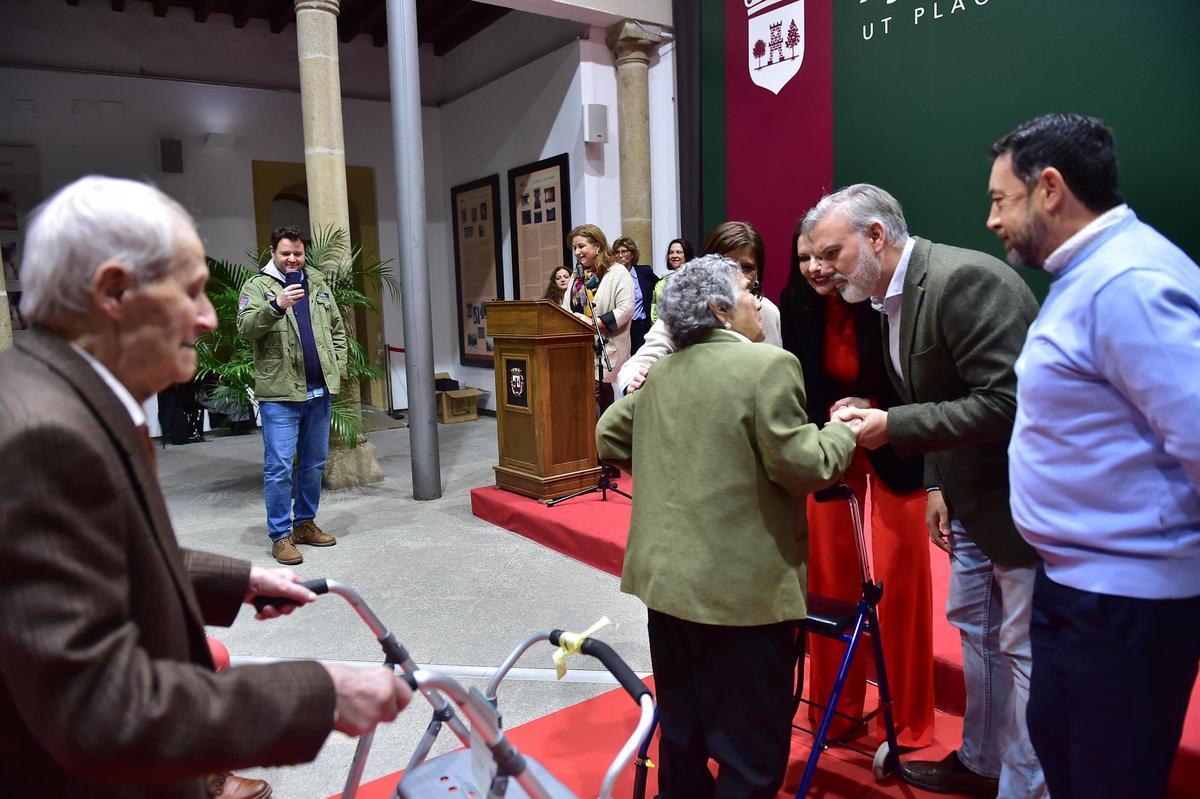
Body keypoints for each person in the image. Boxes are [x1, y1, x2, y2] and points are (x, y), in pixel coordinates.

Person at [0, 176, 411, 798]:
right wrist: (319, 694)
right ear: (114, 291)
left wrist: (234, 580)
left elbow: (107, 554)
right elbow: (100, 708)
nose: (208, 317)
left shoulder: (63, 396)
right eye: (191, 292)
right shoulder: (43, 439)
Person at [987, 113, 1200, 799]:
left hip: (1124, 601)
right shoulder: (1089, 275)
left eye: (1000, 199)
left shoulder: (1126, 282)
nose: (991, 219)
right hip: (1083, 588)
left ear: (1050, 189)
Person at [807, 184, 1043, 799]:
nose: (822, 269)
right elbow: (936, 394)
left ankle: (1029, 786)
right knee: (977, 631)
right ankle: (982, 763)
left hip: (1020, 507)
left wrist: (896, 428)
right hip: (965, 497)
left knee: (1023, 652)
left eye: (832, 253)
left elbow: (1007, 404)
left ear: (875, 237)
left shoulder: (966, 282)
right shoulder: (888, 299)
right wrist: (933, 475)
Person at [597, 255, 857, 799]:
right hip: (741, 595)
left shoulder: (665, 371)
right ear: (720, 310)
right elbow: (803, 465)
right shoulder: (769, 366)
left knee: (684, 737)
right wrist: (841, 432)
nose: (758, 301)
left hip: (667, 587)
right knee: (749, 754)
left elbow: (610, 435)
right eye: (748, 291)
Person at [779, 224, 935, 748]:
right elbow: (799, 380)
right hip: (830, 446)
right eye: (805, 257)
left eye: (827, 255)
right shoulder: (795, 299)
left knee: (902, 581)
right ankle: (836, 712)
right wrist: (828, 420)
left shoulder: (883, 293)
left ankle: (910, 724)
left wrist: (876, 410)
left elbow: (916, 381)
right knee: (827, 579)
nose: (816, 268)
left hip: (895, 444)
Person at [238, 226, 345, 565]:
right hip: (280, 396)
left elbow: (338, 330)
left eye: (298, 253)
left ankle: (304, 524)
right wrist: (277, 305)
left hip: (319, 393)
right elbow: (245, 328)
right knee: (280, 468)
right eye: (286, 253)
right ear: (272, 252)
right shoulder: (256, 287)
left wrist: (337, 367)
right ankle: (281, 536)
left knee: (313, 464)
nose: (292, 259)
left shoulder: (317, 282)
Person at [617, 221, 778, 395]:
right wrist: (635, 383)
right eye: (726, 264)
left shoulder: (767, 312)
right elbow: (638, 364)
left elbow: (775, 379)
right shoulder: (686, 311)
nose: (735, 274)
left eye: (746, 267)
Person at [561, 224, 632, 413]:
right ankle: (597, 437)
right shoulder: (577, 274)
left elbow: (626, 309)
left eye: (581, 246)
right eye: (574, 248)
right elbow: (566, 307)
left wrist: (594, 322)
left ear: (597, 246)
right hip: (580, 347)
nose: (577, 252)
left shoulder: (617, 272)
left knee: (595, 394)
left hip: (607, 347)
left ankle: (597, 437)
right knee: (597, 397)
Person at [612, 235, 658, 354]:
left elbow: (660, 286)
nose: (620, 255)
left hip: (642, 327)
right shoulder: (612, 277)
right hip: (622, 329)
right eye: (617, 252)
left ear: (632, 254)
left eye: (624, 251)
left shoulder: (644, 272)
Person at [649, 237, 693, 323]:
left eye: (679, 252)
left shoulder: (695, 280)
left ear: (687, 254)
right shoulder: (662, 281)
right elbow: (655, 308)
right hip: (662, 331)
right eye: (671, 252)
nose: (674, 255)